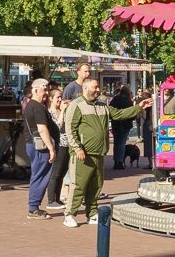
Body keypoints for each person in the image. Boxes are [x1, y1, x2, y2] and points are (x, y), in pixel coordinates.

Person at [64, 77, 151, 228]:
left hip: (98, 152)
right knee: (79, 185)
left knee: (96, 186)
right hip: (83, 154)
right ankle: (69, 215)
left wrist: (138, 107)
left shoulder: (102, 106)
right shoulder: (76, 105)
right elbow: (70, 128)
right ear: (85, 88)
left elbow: (119, 114)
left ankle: (91, 214)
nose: (98, 90)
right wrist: (78, 148)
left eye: (98, 87)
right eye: (95, 87)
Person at [23, 78, 56, 220]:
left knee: (39, 174)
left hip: (34, 145)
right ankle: (33, 208)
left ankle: (34, 207)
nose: (47, 93)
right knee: (40, 176)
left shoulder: (32, 105)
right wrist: (51, 148)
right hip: (39, 147)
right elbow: (42, 129)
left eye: (48, 90)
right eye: (44, 90)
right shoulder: (37, 107)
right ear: (35, 90)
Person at [45, 88, 70, 210]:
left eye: (61, 97)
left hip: (67, 145)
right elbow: (58, 127)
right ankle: (51, 199)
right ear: (51, 99)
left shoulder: (62, 111)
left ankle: (57, 198)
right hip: (58, 144)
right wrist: (63, 111)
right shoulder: (50, 113)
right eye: (57, 97)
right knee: (56, 172)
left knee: (62, 173)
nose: (60, 100)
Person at [109, 85, 135, 170]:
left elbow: (110, 109)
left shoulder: (115, 99)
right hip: (125, 124)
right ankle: (120, 162)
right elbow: (132, 113)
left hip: (116, 124)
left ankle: (116, 161)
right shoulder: (128, 100)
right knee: (122, 144)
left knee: (117, 143)